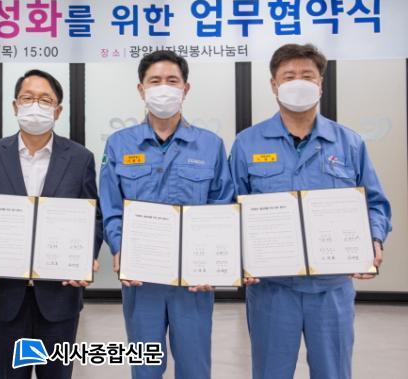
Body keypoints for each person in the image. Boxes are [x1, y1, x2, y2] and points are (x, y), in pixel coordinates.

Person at [229, 43, 392, 379]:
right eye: (289, 76)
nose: (298, 83)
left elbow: (375, 203)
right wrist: (236, 256)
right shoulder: (247, 143)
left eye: (307, 76)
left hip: (332, 288)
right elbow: (230, 209)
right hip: (271, 289)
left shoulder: (349, 143)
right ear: (273, 85)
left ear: (320, 84)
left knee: (333, 372)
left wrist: (374, 239)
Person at [99, 50, 234, 378]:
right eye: (155, 81)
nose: (163, 88)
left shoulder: (210, 145)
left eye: (172, 81)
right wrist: (120, 247)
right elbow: (111, 205)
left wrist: (215, 259)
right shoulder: (119, 144)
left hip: (194, 280)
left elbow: (222, 204)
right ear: (141, 89)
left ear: (185, 89)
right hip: (141, 278)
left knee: (194, 367)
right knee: (144, 366)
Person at [0, 69, 103, 379]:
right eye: (27, 98)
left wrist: (85, 256)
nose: (35, 106)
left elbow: (92, 214)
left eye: (45, 100)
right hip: (5, 293)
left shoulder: (80, 158)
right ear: (15, 106)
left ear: (58, 110)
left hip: (60, 294)